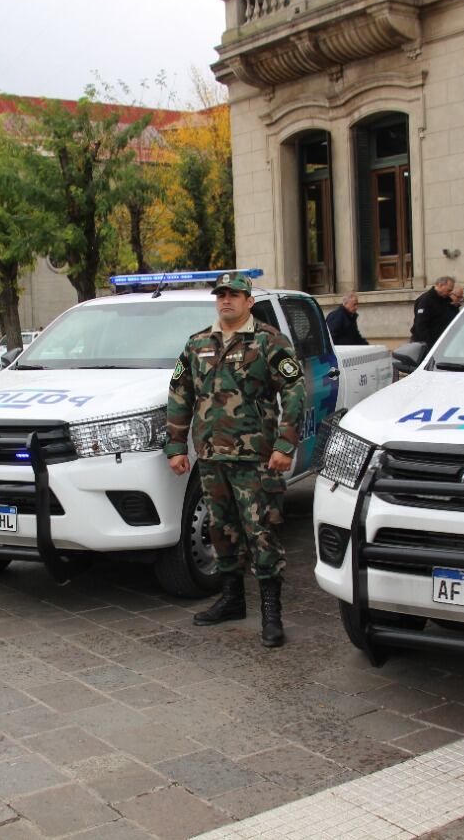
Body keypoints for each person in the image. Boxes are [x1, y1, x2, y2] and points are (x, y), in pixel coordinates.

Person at [166, 271, 306, 648]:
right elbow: (180, 391)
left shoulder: (269, 341)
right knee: (220, 528)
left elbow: (294, 391)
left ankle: (271, 613)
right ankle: (231, 599)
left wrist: (285, 444)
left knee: (261, 532)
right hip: (211, 456)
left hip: (256, 457)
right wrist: (176, 446)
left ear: (249, 302)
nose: (226, 299)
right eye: (221, 294)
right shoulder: (197, 344)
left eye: (234, 294)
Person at [409, 276, 457, 347]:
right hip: (426, 344)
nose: (450, 293)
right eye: (449, 290)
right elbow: (421, 325)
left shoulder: (447, 299)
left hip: (441, 342)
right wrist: (430, 344)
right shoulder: (425, 300)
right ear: (440, 285)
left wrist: (455, 307)